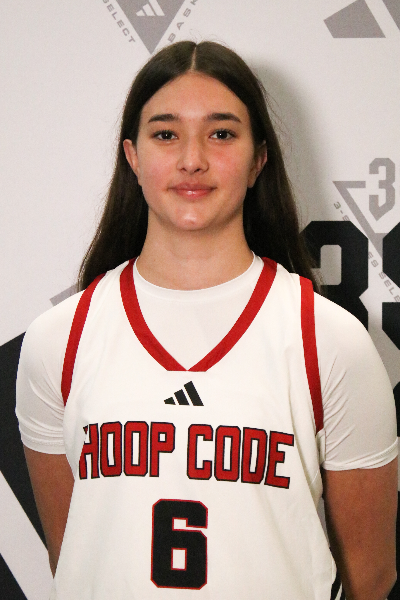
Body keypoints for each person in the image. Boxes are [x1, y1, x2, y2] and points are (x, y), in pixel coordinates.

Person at [16, 41, 397, 600]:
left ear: (258, 159)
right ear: (132, 157)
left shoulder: (328, 339)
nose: (192, 159)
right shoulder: (60, 340)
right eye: (165, 134)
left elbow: (370, 577)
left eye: (221, 133)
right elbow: (73, 555)